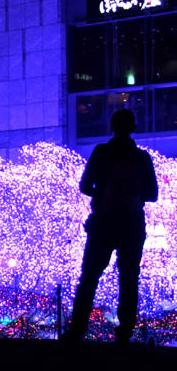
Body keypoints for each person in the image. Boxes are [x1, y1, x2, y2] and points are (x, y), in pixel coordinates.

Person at [66, 109, 158, 344]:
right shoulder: (142, 158)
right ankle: (125, 333)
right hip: (132, 224)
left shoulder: (101, 153)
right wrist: (132, 195)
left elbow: (85, 186)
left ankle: (77, 330)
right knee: (129, 280)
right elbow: (153, 194)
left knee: (89, 278)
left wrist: (104, 194)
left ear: (112, 127)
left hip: (103, 223)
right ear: (133, 128)